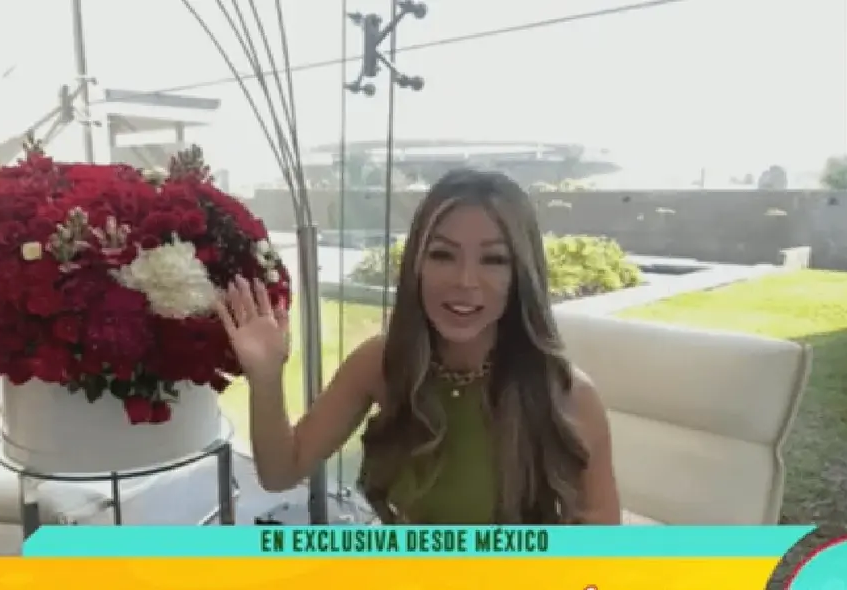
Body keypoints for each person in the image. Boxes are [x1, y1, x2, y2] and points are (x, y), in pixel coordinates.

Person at [215, 168, 621, 524]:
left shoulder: (568, 396)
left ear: (520, 277)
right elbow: (280, 472)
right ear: (417, 264)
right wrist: (266, 379)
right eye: (443, 254)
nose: (464, 280)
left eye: (494, 260)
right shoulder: (380, 362)